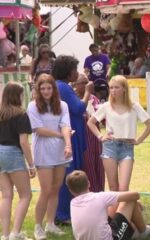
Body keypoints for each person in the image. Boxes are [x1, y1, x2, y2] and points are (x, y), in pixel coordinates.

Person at [87, 75, 150, 194]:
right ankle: (113, 212)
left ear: (124, 89)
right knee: (113, 187)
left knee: (123, 188)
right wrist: (100, 136)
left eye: (116, 87)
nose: (113, 90)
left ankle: (121, 211)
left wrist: (138, 140)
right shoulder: (106, 106)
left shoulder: (134, 106)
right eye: (111, 88)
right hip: (110, 147)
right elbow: (91, 122)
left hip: (127, 148)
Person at [26, 74, 72, 240]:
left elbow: (66, 125)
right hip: (43, 153)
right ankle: (38, 226)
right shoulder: (32, 106)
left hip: (60, 152)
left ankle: (50, 223)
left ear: (54, 89)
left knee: (55, 188)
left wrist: (67, 144)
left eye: (49, 88)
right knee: (45, 190)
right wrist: (60, 135)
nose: (46, 91)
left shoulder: (63, 105)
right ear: (38, 89)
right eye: (42, 88)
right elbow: (38, 129)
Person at [53, 55, 94, 225]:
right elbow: (78, 108)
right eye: (74, 70)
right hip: (72, 136)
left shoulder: (61, 86)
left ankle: (63, 212)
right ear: (68, 72)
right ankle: (63, 214)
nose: (77, 73)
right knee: (69, 174)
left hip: (71, 134)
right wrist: (87, 92)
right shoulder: (63, 87)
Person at [66, 170, 150, 240]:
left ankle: (133, 231)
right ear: (88, 183)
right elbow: (135, 195)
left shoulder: (73, 203)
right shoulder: (100, 197)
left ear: (70, 191)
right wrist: (137, 204)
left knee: (114, 204)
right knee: (130, 201)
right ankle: (144, 232)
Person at [0, 82, 35, 240]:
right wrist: (31, 164)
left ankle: (5, 234)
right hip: (12, 153)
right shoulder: (21, 114)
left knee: (6, 195)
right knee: (26, 195)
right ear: (18, 96)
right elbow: (24, 142)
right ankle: (16, 233)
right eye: (22, 94)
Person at [73, 73, 105, 192]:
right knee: (87, 163)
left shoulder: (93, 98)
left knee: (99, 164)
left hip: (95, 137)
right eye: (84, 83)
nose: (88, 85)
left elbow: (99, 117)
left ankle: (99, 191)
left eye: (88, 82)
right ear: (76, 85)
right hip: (82, 136)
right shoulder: (74, 99)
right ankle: (89, 191)